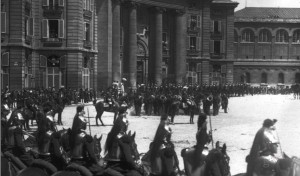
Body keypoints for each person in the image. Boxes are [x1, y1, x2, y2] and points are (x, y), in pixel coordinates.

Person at [69, 105, 104, 176]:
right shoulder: (86, 137)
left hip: (71, 161)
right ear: (82, 124)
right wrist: (97, 162)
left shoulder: (72, 134)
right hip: (82, 162)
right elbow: (92, 155)